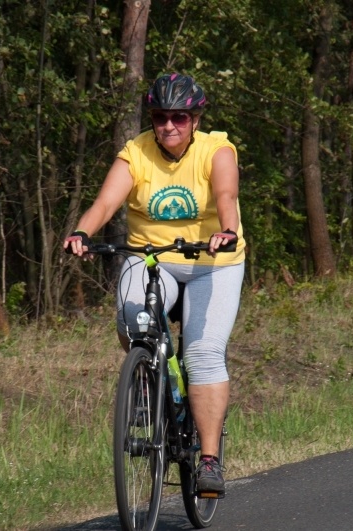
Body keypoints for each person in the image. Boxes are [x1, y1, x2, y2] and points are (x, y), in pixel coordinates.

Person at [63, 73, 246, 494]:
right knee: (133, 322)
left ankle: (210, 462)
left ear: (195, 119)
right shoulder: (136, 153)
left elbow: (226, 195)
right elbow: (106, 202)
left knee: (202, 354)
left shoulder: (217, 149)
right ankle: (147, 385)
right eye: (160, 117)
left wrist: (228, 230)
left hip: (213, 261)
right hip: (152, 259)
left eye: (178, 117)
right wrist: (81, 233)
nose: (168, 126)